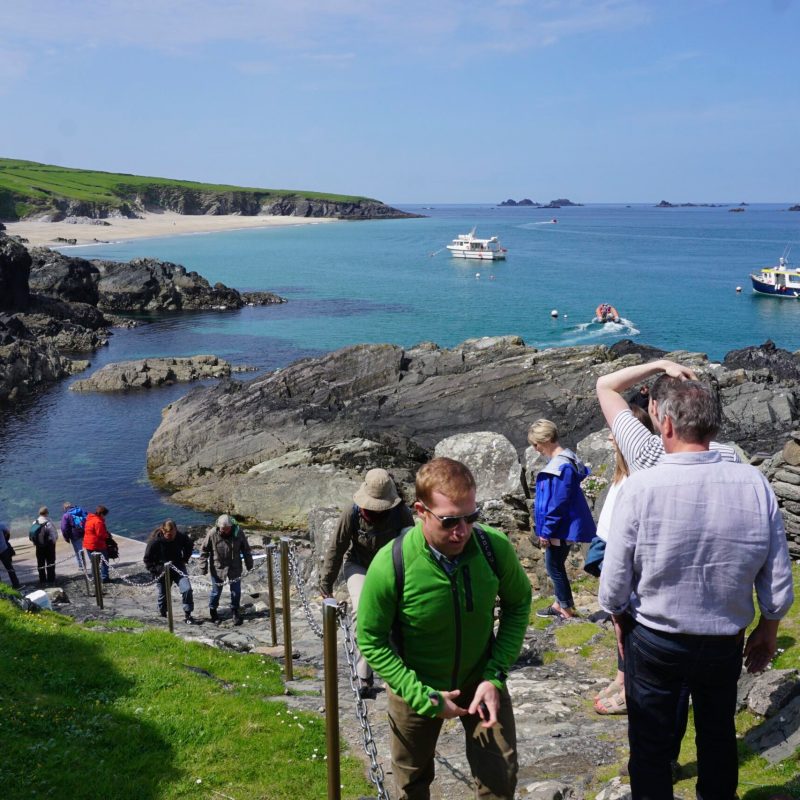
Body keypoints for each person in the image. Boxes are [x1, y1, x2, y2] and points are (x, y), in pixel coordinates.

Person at [599, 380, 794, 800]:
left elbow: (615, 579)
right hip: (725, 638)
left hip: (654, 637)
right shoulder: (754, 483)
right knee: (718, 735)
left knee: (650, 744)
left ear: (665, 424)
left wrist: (617, 615)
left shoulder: (640, 487)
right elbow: (776, 570)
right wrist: (770, 626)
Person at [358, 457, 532, 800]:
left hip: (481, 680)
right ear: (420, 510)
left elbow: (518, 603)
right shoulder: (390, 563)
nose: (462, 530)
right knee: (411, 785)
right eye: (450, 520)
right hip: (415, 685)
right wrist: (417, 692)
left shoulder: (492, 548)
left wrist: (494, 675)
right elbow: (370, 637)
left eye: (471, 517)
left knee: (501, 778)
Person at [319, 468, 414, 698]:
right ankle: (364, 676)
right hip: (359, 566)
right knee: (363, 612)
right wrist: (326, 584)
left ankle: (401, 672)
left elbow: (413, 545)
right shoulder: (351, 513)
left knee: (398, 617)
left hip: (391, 569)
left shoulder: (401, 513)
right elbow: (336, 548)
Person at [587, 404, 654, 716]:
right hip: (607, 546)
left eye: (617, 432)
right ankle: (623, 675)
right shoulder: (620, 470)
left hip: (621, 553)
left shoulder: (638, 475)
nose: (612, 437)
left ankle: (631, 686)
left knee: (625, 622)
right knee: (618, 621)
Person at [596, 357, 740, 472]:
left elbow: (604, 386)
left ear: (654, 407)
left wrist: (662, 364)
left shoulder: (646, 454)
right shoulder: (729, 457)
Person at [529, 419, 596, 620]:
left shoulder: (560, 467)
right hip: (563, 525)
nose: (535, 449)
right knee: (555, 563)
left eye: (536, 444)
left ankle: (565, 607)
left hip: (559, 527)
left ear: (547, 439)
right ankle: (560, 602)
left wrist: (545, 532)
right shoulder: (568, 460)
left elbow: (556, 504)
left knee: (554, 565)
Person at [200, 514, 253, 625]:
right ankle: (213, 611)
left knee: (236, 592)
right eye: (222, 529)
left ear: (231, 526)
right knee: (216, 592)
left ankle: (235, 611)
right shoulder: (212, 533)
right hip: (218, 567)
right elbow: (204, 550)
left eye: (227, 529)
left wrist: (249, 564)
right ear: (218, 527)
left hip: (235, 567)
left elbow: (246, 550)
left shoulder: (239, 533)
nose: (225, 531)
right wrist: (203, 567)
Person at [144, 519, 197, 625]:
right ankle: (163, 613)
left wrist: (185, 558)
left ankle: (188, 614)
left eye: (173, 534)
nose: (172, 537)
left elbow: (189, 545)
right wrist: (157, 570)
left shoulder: (180, 536)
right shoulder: (155, 542)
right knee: (163, 594)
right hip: (162, 570)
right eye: (169, 535)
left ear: (176, 530)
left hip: (178, 567)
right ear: (163, 532)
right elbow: (147, 560)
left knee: (187, 589)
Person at [83, 505, 112, 583]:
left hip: (88, 544)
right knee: (104, 561)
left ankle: (94, 578)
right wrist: (108, 535)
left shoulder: (89, 519)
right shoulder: (98, 522)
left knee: (94, 562)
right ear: (102, 514)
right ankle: (104, 578)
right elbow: (101, 534)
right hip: (97, 544)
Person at [30, 506, 58, 585]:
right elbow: (53, 536)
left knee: (40, 563)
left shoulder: (35, 522)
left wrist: (36, 543)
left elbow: (32, 536)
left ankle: (42, 580)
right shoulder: (48, 522)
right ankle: (51, 580)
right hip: (49, 546)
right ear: (47, 513)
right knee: (50, 563)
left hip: (39, 546)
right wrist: (54, 541)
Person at [60, 502, 86, 570]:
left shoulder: (66, 515)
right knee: (82, 549)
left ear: (65, 508)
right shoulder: (79, 510)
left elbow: (64, 528)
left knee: (78, 550)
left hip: (74, 535)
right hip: (83, 532)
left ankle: (81, 566)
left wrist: (66, 538)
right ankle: (91, 563)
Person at [0, 519, 20, 589]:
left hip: (3, 549)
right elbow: (8, 532)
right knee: (10, 568)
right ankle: (16, 585)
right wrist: (6, 540)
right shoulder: (1, 525)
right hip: (3, 549)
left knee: (9, 568)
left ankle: (1, 587)